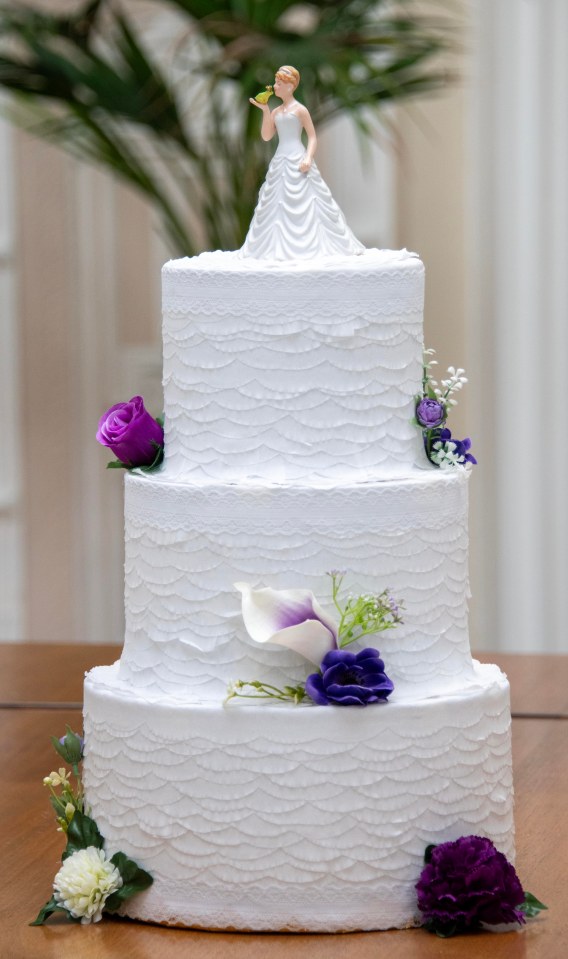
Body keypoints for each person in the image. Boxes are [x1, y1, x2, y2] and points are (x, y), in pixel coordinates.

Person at [240, 65, 365, 260]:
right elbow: (266, 136)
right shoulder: (276, 111)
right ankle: (276, 247)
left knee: (310, 199)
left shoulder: (300, 110)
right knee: (277, 199)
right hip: (281, 158)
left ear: (290, 86)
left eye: (279, 83)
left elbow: (313, 137)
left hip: (297, 157)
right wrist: (265, 110)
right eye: (276, 82)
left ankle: (312, 243)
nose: (275, 86)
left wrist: (308, 157)